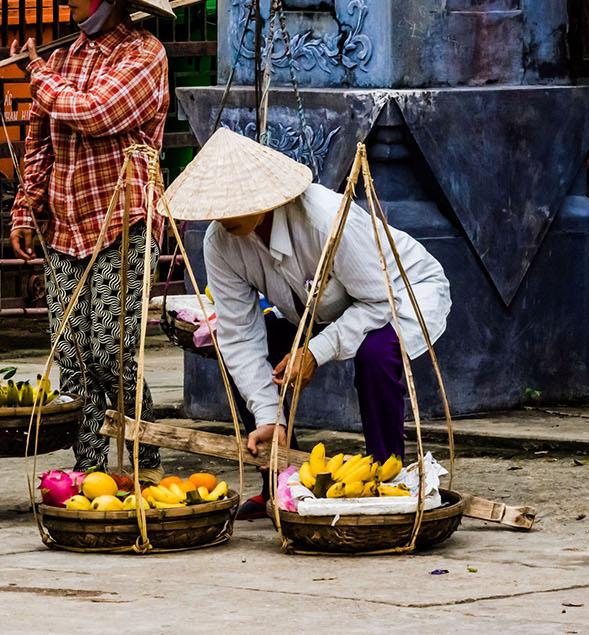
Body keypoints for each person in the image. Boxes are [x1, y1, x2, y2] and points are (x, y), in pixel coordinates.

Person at [161, 128, 451, 516]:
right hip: (312, 309)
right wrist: (269, 414)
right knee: (253, 350)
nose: (223, 216)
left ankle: (385, 475)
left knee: (376, 352)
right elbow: (238, 334)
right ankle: (280, 478)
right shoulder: (220, 242)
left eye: (233, 205)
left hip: (398, 293)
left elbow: (380, 301)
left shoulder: (324, 218)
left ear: (264, 198)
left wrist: (315, 351)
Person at [8, 0, 175, 478]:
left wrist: (36, 76)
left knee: (112, 352)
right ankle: (90, 474)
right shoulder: (69, 56)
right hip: (65, 226)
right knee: (73, 362)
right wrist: (25, 204)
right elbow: (40, 137)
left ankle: (142, 460)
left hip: (122, 222)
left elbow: (96, 113)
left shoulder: (144, 56)